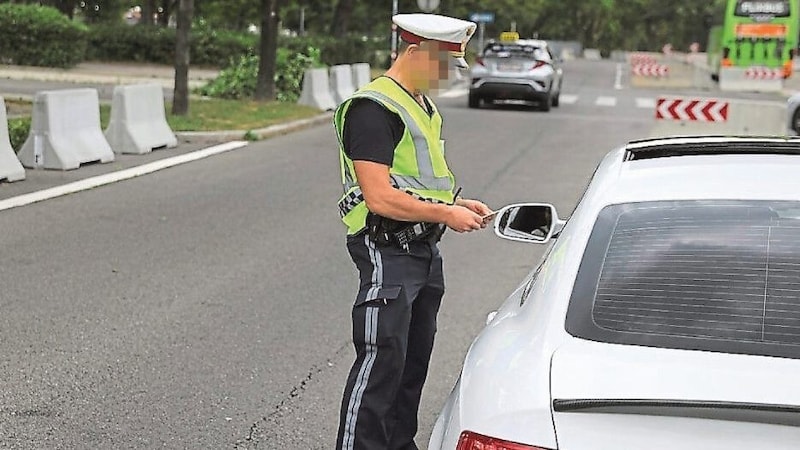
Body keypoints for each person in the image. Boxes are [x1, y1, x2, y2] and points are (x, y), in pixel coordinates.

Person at [333, 13, 493, 450]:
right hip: (388, 248)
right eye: (443, 64)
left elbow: (415, 182)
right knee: (380, 365)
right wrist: (445, 215)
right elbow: (380, 197)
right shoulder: (373, 109)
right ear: (415, 52)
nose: (446, 76)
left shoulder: (421, 104)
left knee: (411, 365)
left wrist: (453, 205)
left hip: (422, 251)